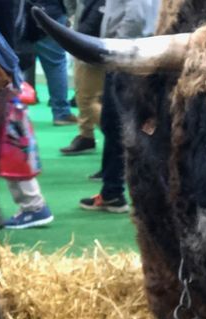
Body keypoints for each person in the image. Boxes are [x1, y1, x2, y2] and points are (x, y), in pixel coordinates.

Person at [79, 0, 160, 213]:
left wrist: (117, 47)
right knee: (116, 123)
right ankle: (112, 186)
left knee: (118, 124)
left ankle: (114, 191)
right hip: (127, 54)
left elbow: (137, 16)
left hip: (127, 56)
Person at [0, 0, 53, 229]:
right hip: (4, 70)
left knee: (10, 142)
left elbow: (7, 28)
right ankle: (32, 204)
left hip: (1, 73)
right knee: (9, 142)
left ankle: (34, 205)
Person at [59, 0, 105, 155]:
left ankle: (117, 138)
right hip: (84, 39)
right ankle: (86, 135)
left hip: (92, 44)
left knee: (88, 99)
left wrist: (79, 38)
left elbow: (98, 14)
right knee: (82, 94)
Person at [24, 0, 77, 126]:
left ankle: (11, 112)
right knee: (56, 64)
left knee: (18, 63)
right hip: (50, 14)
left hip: (20, 15)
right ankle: (61, 113)